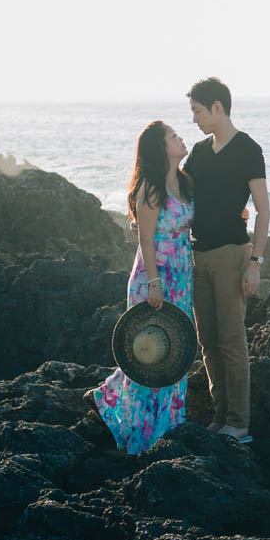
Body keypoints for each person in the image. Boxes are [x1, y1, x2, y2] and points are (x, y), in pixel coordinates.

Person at [88, 121, 195, 454]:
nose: (181, 138)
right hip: (156, 276)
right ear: (160, 148)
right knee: (150, 356)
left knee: (176, 352)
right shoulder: (150, 188)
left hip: (182, 277)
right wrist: (154, 283)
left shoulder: (184, 181)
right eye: (173, 137)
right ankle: (144, 438)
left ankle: (167, 426)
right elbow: (146, 239)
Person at [183, 77, 269, 444]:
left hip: (232, 256)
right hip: (197, 255)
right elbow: (181, 194)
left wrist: (255, 262)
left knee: (232, 340)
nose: (195, 120)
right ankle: (220, 417)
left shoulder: (248, 149)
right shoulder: (199, 152)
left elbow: (263, 210)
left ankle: (240, 422)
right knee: (207, 340)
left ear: (217, 107)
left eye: (198, 112)